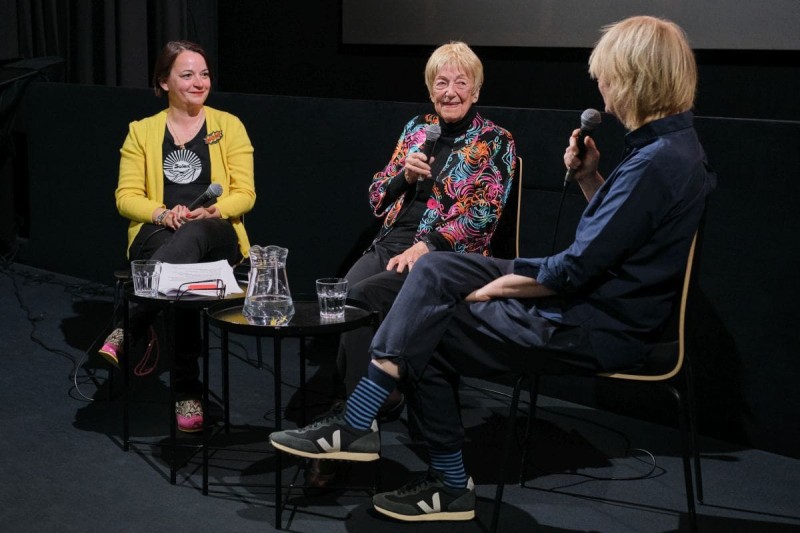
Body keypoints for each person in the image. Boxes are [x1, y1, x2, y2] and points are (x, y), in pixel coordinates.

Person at [270, 15, 716, 522]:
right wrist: (590, 178)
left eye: (608, 77)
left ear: (637, 79)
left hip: (594, 320)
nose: (602, 88)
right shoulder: (664, 150)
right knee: (434, 275)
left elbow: (574, 269)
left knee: (429, 322)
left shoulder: (656, 163)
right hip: (582, 290)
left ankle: (434, 475)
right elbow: (619, 240)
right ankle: (359, 420)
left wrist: (497, 287)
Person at [308, 41, 517, 488]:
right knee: (342, 303)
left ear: (477, 90)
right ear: (429, 89)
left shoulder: (495, 140)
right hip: (393, 242)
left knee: (364, 297)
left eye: (461, 82)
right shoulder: (417, 129)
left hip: (445, 256)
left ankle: (355, 421)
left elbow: (484, 215)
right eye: (441, 82)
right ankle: (375, 406)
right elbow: (375, 195)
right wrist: (404, 175)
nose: (450, 91)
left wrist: (427, 247)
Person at [99, 40, 256, 432]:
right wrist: (163, 213)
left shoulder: (229, 126)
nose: (199, 82)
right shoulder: (141, 132)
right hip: (158, 232)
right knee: (184, 268)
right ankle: (188, 390)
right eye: (187, 74)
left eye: (204, 74)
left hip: (215, 230)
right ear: (164, 82)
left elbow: (246, 193)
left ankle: (131, 321)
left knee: (197, 234)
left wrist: (214, 209)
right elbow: (125, 197)